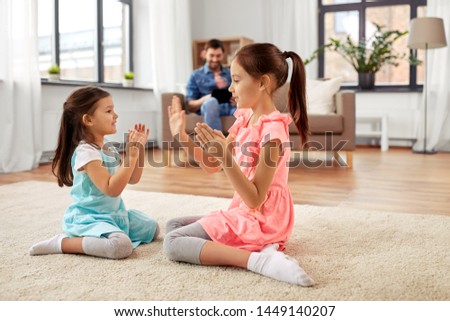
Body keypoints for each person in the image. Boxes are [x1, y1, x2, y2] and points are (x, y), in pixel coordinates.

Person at [164, 43, 314, 286]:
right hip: (244, 210)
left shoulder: (272, 131)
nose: (230, 88)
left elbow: (255, 198)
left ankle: (258, 261)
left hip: (264, 218)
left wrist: (226, 157)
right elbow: (212, 165)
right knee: (174, 226)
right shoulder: (245, 118)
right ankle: (261, 248)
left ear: (262, 82)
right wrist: (181, 135)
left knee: (172, 243)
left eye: (236, 80)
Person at [29, 86, 159, 259]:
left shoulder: (108, 148)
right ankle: (63, 242)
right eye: (109, 111)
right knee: (120, 247)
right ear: (88, 120)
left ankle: (110, 232)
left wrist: (138, 151)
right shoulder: (86, 152)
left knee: (152, 228)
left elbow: (132, 179)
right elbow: (111, 189)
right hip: (90, 218)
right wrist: (131, 156)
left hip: (115, 214)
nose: (116, 115)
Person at [186, 38, 236, 131]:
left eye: (218, 56)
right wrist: (208, 97)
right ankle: (215, 144)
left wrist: (237, 99)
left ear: (223, 55)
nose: (215, 59)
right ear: (205, 54)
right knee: (211, 102)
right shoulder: (195, 75)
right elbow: (189, 105)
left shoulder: (231, 73)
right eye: (211, 55)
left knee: (246, 109)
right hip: (209, 107)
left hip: (230, 107)